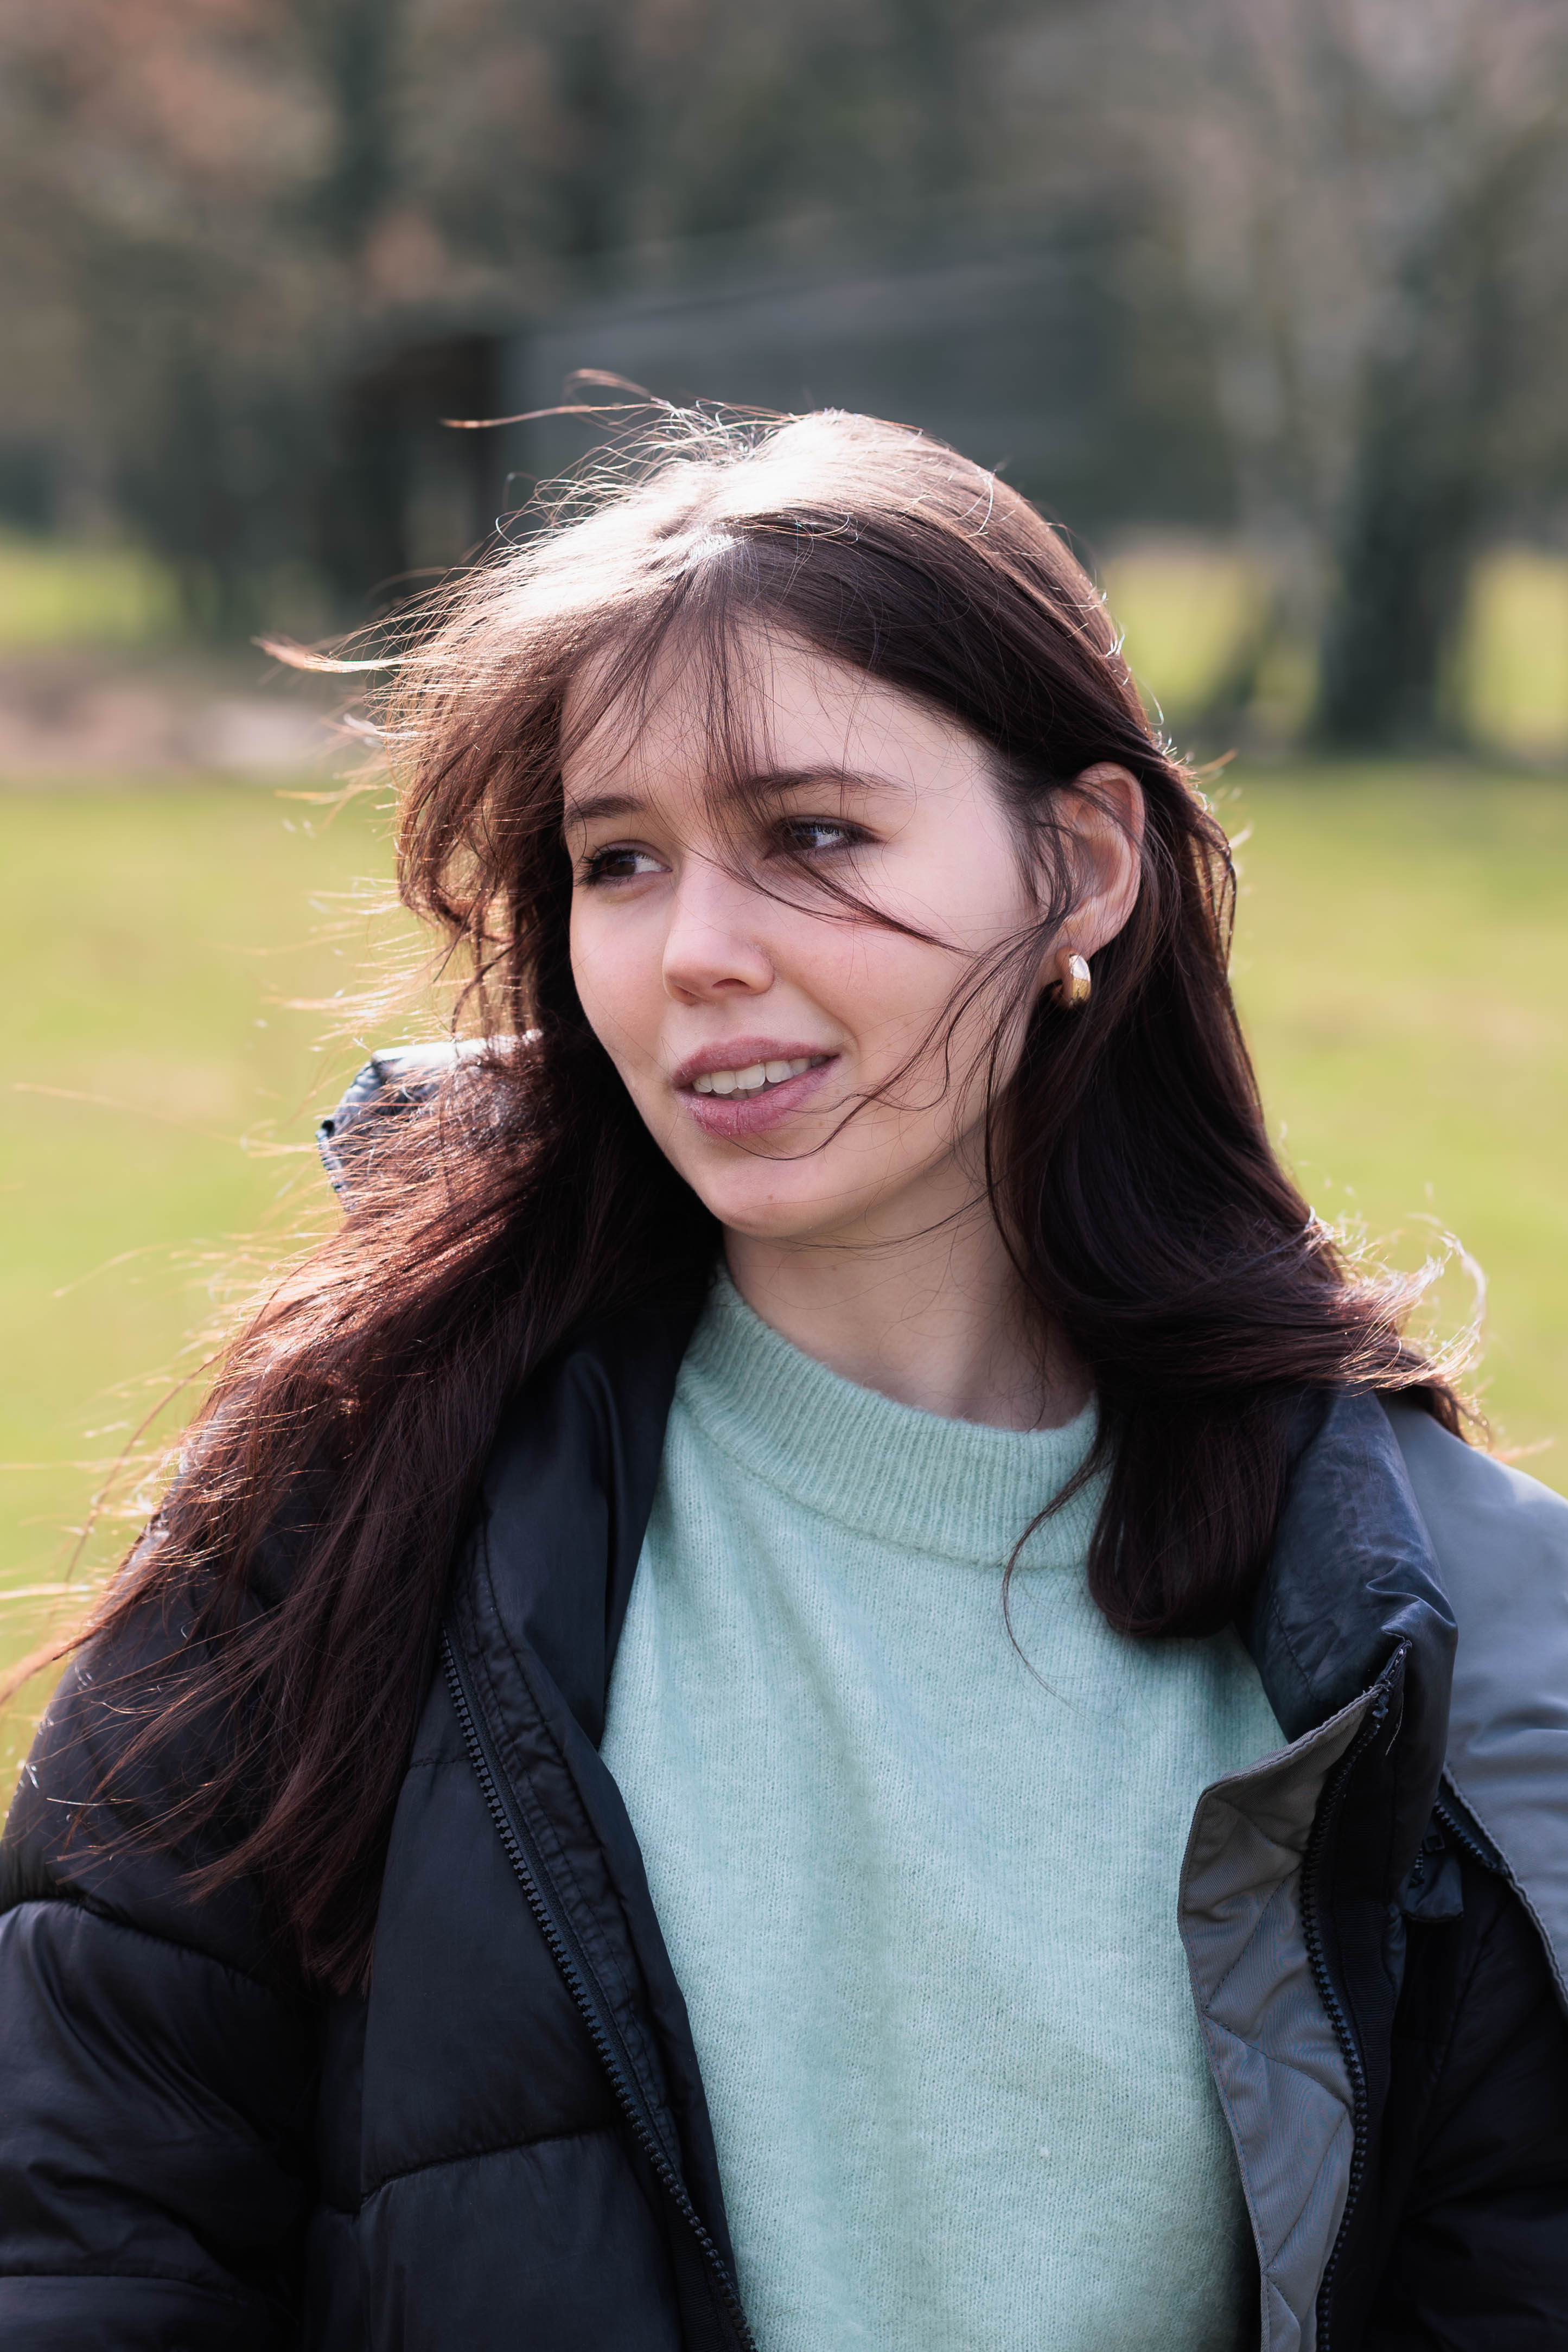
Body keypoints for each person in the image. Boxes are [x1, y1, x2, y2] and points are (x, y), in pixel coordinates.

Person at [2, 410, 1565, 2352]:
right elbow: (85, 2243)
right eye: (618, 863)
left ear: (1078, 866)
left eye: (812, 837)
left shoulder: (1437, 1616)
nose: (695, 955)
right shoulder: (340, 1497)